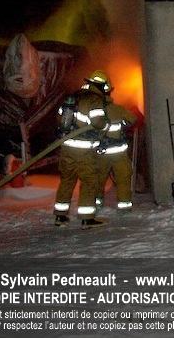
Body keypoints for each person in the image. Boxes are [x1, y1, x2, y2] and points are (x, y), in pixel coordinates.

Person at [52, 70, 112, 229]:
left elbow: (59, 118)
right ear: (101, 86)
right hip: (84, 149)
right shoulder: (94, 99)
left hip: (67, 147)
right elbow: (98, 122)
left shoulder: (74, 96)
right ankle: (87, 218)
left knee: (67, 179)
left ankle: (60, 216)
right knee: (88, 181)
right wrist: (106, 125)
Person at [92, 79, 137, 213]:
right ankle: (124, 205)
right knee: (123, 178)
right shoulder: (118, 109)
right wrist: (123, 123)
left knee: (98, 178)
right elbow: (132, 119)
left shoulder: (94, 112)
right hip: (118, 153)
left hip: (100, 153)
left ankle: (96, 202)